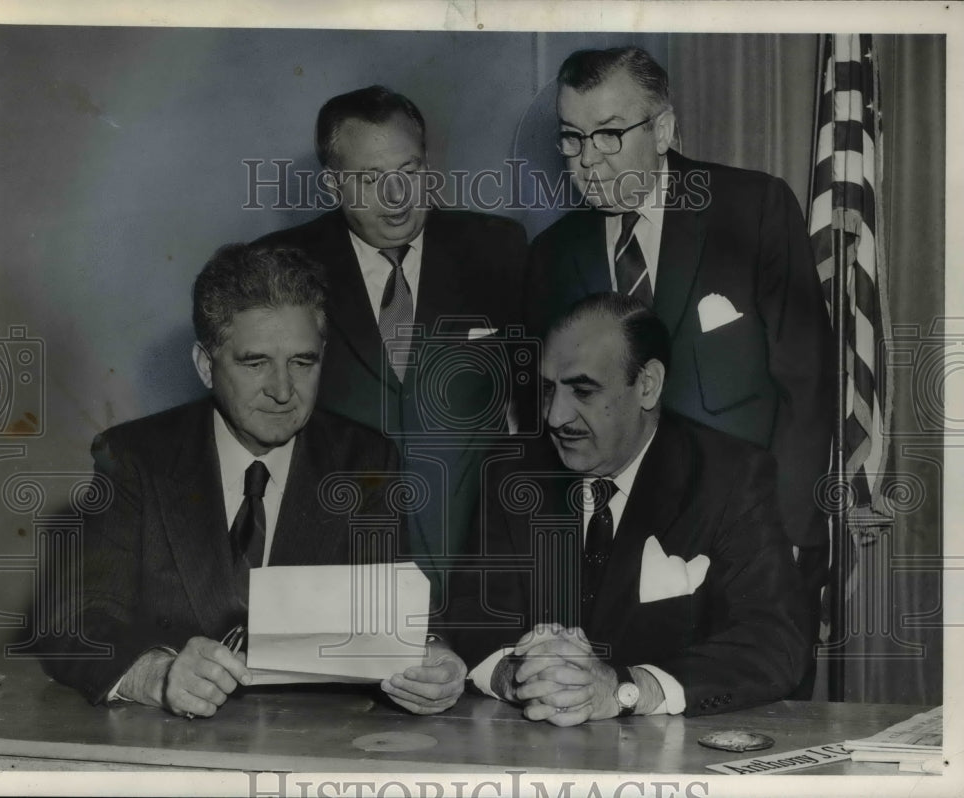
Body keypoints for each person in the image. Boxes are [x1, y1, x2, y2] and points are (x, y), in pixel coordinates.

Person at [39, 243, 465, 717]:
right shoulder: (135, 457)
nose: (283, 391)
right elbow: (75, 624)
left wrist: (432, 661)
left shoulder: (364, 460)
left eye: (303, 362)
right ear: (205, 365)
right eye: (255, 362)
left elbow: (398, 614)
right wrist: (155, 676)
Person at [524, 47, 834, 612]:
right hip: (617, 560)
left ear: (663, 130)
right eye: (573, 137)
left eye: (610, 134)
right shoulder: (552, 254)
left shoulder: (753, 208)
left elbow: (808, 386)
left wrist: (788, 538)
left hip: (751, 536)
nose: (589, 161)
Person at [443, 294, 808, 723]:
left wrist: (626, 689)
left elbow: (775, 641)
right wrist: (516, 676)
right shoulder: (511, 472)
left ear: (647, 385)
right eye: (547, 390)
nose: (556, 416)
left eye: (583, 390)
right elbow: (472, 615)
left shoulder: (731, 477)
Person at [253, 86, 529, 603]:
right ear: (334, 183)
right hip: (335, 569)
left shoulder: (499, 249)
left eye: (409, 170)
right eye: (371, 180)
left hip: (476, 565)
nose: (398, 197)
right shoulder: (277, 265)